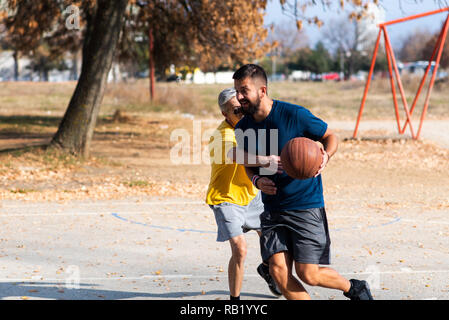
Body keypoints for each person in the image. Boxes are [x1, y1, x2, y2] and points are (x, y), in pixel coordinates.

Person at [232, 64, 373, 300]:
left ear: (262, 91)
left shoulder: (294, 115)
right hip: (272, 209)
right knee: (278, 272)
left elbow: (330, 136)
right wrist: (256, 180)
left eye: (244, 90)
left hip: (305, 205)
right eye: (236, 91)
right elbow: (247, 164)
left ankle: (354, 288)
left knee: (309, 274)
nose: (238, 97)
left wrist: (326, 155)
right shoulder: (243, 127)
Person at [205, 88, 282, 300]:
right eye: (235, 110)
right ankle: (234, 301)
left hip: (251, 196)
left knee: (274, 244)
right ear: (225, 114)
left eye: (243, 108)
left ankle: (266, 268)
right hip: (226, 198)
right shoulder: (221, 136)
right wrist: (266, 160)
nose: (241, 112)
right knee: (240, 249)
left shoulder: (252, 126)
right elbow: (236, 154)